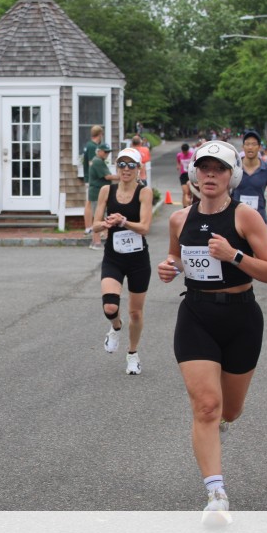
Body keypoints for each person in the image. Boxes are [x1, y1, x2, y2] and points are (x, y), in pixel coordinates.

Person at [157, 140, 267, 525]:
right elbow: (177, 257)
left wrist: (235, 256)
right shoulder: (179, 219)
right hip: (196, 314)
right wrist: (169, 267)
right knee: (207, 406)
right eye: (205, 168)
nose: (211, 175)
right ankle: (216, 495)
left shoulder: (245, 217)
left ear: (232, 176)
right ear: (194, 173)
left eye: (220, 169)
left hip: (242, 317)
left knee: (230, 410)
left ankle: (221, 424)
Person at [92, 147, 154, 375]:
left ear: (138, 169)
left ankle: (132, 354)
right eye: (121, 164)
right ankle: (116, 325)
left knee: (135, 312)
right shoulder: (106, 190)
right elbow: (95, 225)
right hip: (114, 257)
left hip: (138, 260)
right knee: (110, 306)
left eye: (131, 165)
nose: (126, 169)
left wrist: (124, 221)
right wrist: (105, 223)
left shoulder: (144, 192)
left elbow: (145, 227)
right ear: (116, 167)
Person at [233, 129, 267, 224]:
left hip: (259, 219)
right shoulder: (234, 167)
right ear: (243, 147)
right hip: (236, 218)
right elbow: (223, 188)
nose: (250, 147)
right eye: (247, 144)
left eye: (254, 144)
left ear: (259, 147)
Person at [87, 143, 118, 250]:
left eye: (108, 152)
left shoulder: (98, 161)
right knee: (98, 218)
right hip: (97, 193)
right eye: (105, 152)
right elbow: (107, 176)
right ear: (99, 151)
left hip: (97, 192)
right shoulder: (98, 161)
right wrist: (122, 177)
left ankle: (94, 241)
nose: (107, 154)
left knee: (99, 217)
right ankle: (96, 242)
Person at [83, 125, 104, 234]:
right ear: (100, 134)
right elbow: (92, 163)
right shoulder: (93, 147)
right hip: (91, 179)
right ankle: (88, 227)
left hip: (90, 179)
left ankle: (90, 226)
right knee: (90, 202)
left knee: (91, 202)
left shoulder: (89, 145)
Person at [176, 143, 194, 207]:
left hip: (190, 174)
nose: (185, 153)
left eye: (186, 152)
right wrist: (178, 166)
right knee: (185, 191)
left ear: (188, 150)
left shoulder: (192, 155)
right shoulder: (179, 155)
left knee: (190, 192)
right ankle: (184, 207)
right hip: (183, 174)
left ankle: (190, 206)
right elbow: (178, 162)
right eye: (183, 152)